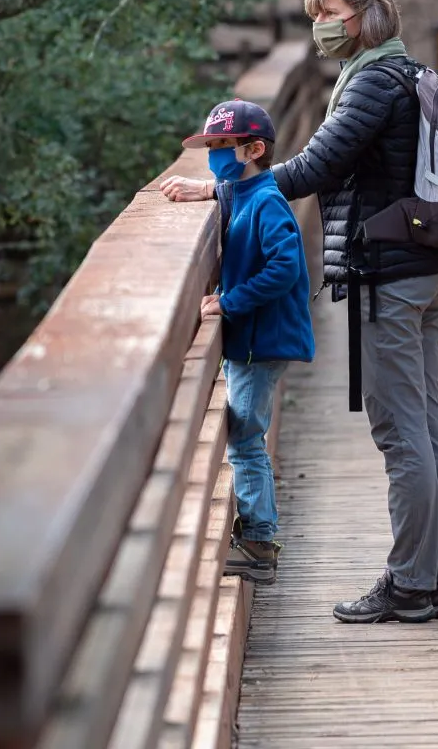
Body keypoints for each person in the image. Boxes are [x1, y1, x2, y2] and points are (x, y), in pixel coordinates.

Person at [161, 0, 438, 624]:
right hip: (426, 269)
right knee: (428, 426)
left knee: (403, 431)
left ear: (363, 14)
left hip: (390, 276)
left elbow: (312, 167)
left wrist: (222, 185)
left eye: (327, 13)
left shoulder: (371, 83)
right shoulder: (409, 73)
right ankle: (433, 579)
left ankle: (411, 584)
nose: (320, 26)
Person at [166, 98, 315, 586]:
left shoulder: (268, 202)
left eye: (220, 147)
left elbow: (285, 267)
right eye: (209, 146)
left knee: (246, 440)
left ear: (253, 149)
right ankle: (257, 535)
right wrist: (207, 191)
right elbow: (233, 197)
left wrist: (230, 301)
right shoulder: (244, 192)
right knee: (243, 434)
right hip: (252, 341)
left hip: (262, 341)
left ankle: (258, 542)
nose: (213, 155)